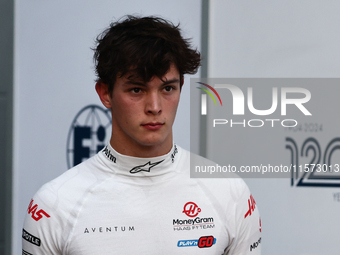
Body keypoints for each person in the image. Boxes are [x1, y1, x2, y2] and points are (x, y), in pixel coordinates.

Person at [22, 15, 261, 254]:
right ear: (105, 93)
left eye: (168, 88)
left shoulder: (229, 192)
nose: (155, 107)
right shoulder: (54, 205)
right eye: (137, 89)